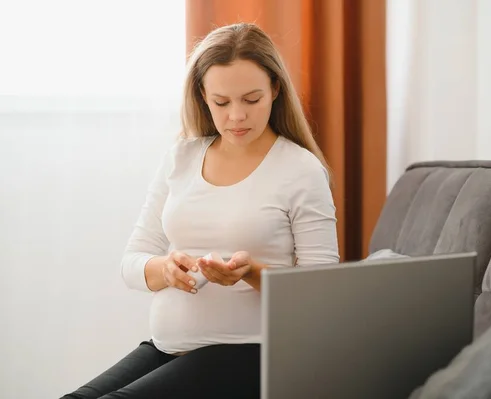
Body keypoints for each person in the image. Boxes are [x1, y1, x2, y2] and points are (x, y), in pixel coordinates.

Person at [62, 22, 339, 399]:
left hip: (251, 351)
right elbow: (132, 262)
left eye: (251, 99)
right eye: (221, 102)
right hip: (168, 346)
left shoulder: (300, 170)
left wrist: (252, 273)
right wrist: (166, 270)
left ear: (275, 89)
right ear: (203, 97)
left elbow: (322, 294)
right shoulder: (182, 157)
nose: (237, 116)